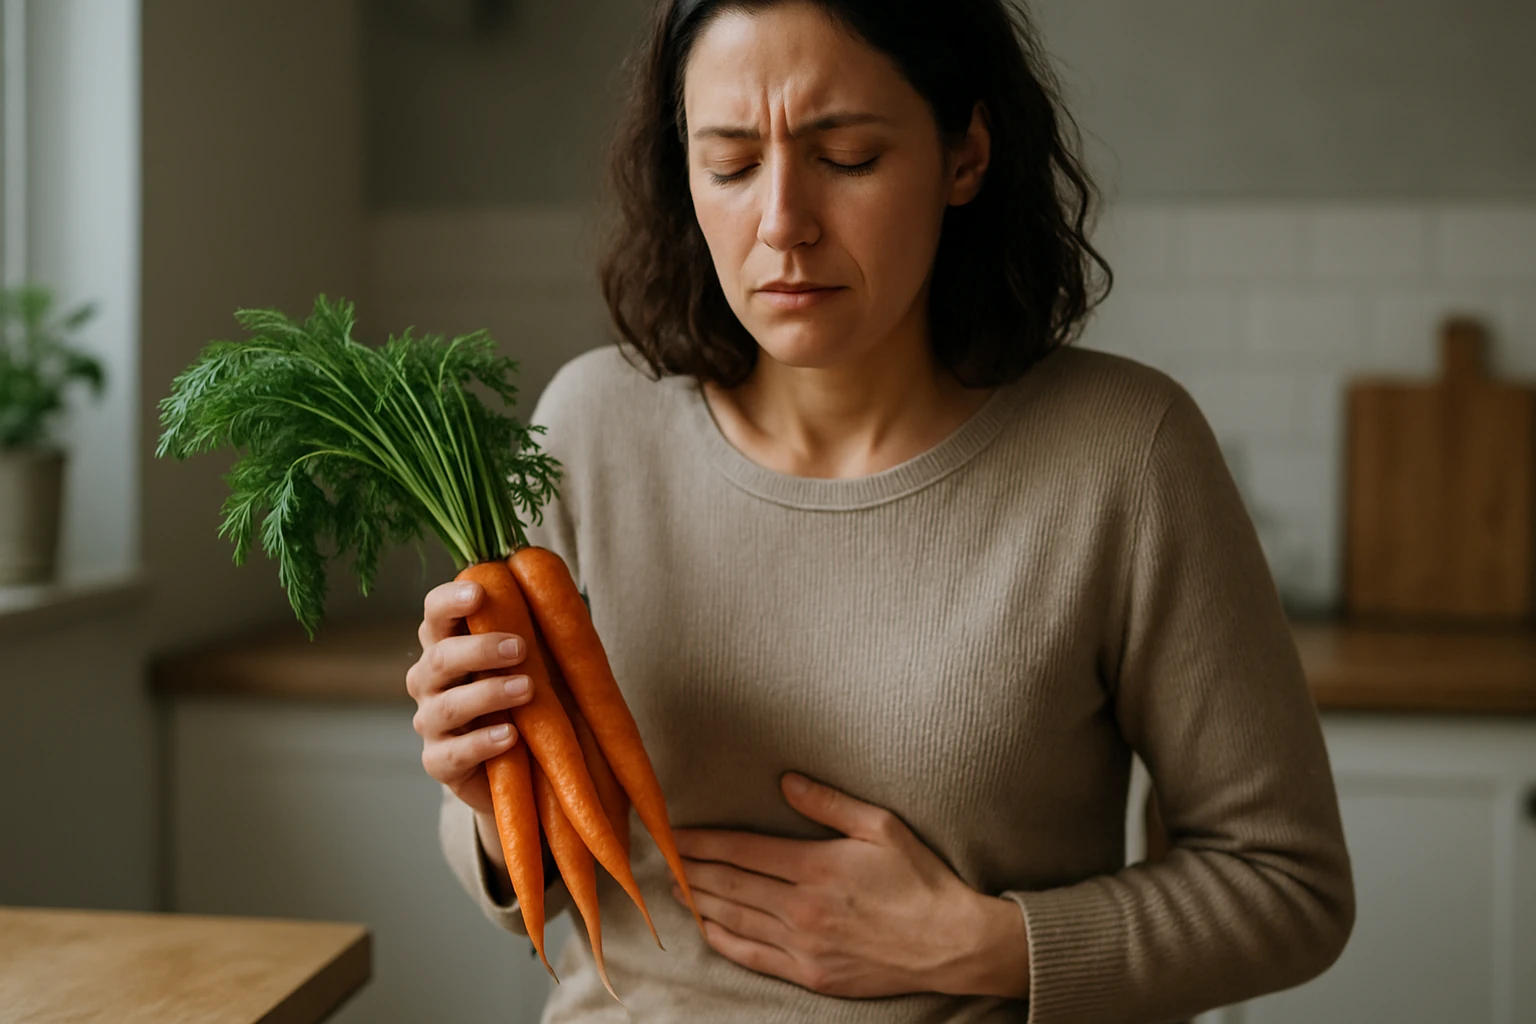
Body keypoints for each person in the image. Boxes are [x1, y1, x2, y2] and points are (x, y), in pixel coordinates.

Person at [404, 0, 1355, 1020]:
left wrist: (986, 945)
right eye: (728, 164)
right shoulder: (589, 427)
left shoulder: (1126, 452)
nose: (781, 223)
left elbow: (1289, 885)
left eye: (847, 156)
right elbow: (528, 882)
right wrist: (491, 803)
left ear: (965, 156)